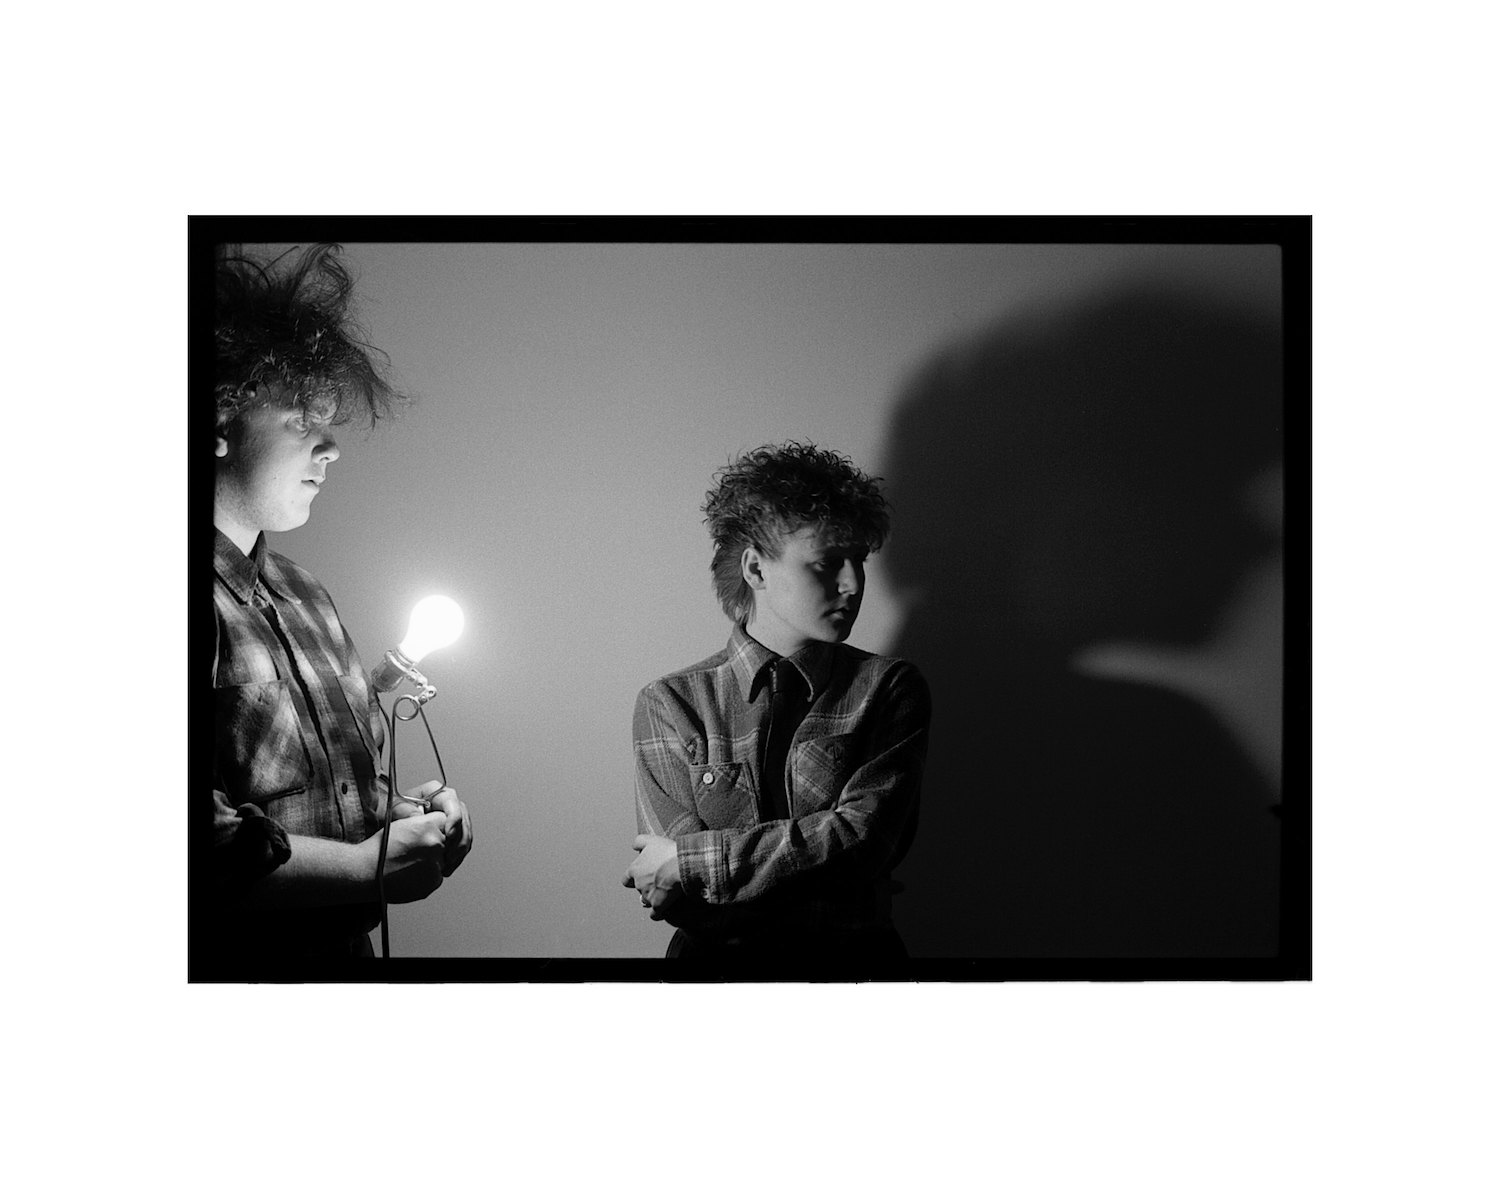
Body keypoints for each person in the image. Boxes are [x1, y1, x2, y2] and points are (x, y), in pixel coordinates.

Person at [202, 243, 473, 974]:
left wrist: (397, 819)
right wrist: (362, 870)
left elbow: (342, 804)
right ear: (216, 421)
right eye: (300, 420)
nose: (330, 447)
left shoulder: (311, 599)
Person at [623, 441, 930, 972]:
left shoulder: (889, 688)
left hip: (856, 982)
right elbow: (681, 900)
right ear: (756, 570)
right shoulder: (671, 703)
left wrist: (697, 864)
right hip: (712, 988)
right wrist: (814, 869)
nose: (854, 584)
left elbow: (863, 842)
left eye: (859, 560)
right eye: (828, 561)